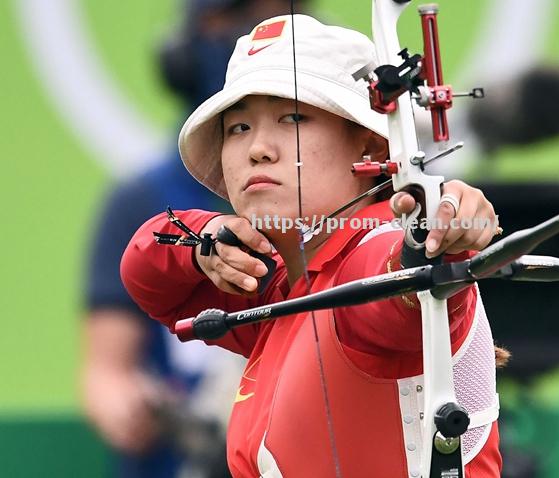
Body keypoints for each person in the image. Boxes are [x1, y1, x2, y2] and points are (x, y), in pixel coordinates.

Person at [121, 14, 505, 477]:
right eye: (239, 128)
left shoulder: (368, 255)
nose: (258, 148)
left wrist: (437, 241)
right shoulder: (278, 283)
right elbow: (145, 274)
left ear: (369, 149)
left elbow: (395, 282)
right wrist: (202, 242)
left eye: (293, 118)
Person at [81, 2, 307, 477]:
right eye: (239, 127)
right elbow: (106, 371)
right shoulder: (138, 201)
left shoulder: (334, 210)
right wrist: (128, 404)